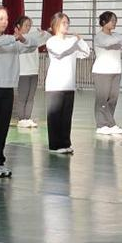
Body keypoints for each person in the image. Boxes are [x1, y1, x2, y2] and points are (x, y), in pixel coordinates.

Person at [0, 5, 42, 178]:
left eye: (6, 19)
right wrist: (14, 38)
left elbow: (32, 45)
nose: (4, 22)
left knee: (2, 128)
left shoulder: (12, 42)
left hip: (7, 89)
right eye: (0, 19)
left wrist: (23, 38)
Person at [44, 13, 90, 154]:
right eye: (63, 22)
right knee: (55, 116)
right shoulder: (52, 41)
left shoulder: (71, 42)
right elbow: (60, 52)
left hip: (69, 85)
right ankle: (54, 145)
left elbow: (86, 52)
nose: (66, 25)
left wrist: (80, 40)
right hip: (55, 85)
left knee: (66, 117)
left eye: (67, 22)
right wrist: (74, 40)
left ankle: (65, 143)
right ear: (55, 24)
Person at [92, 11, 122, 135]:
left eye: (115, 20)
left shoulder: (116, 36)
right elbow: (108, 43)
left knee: (113, 99)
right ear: (104, 22)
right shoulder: (99, 36)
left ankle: (109, 124)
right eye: (112, 20)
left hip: (116, 71)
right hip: (102, 72)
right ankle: (102, 125)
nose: (114, 23)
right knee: (102, 99)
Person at [12, 16, 45, 128]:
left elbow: (45, 38)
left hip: (34, 71)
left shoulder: (33, 38)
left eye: (29, 25)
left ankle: (27, 118)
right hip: (23, 72)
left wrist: (43, 34)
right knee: (22, 97)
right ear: (18, 26)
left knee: (30, 97)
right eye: (26, 25)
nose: (28, 27)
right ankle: (21, 119)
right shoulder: (16, 39)